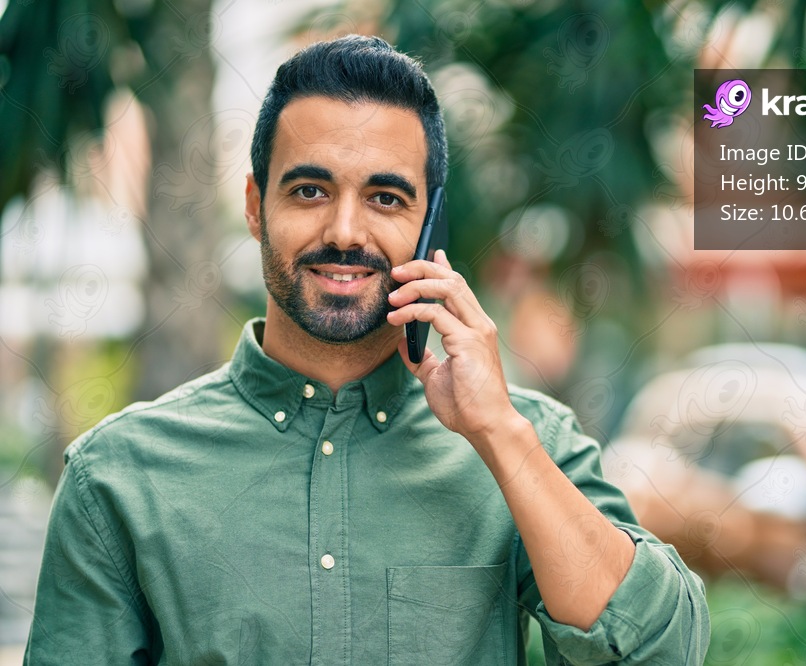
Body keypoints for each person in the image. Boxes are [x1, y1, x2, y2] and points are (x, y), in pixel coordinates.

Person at [25, 35, 708, 664]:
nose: (345, 230)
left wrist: (498, 433)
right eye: (310, 190)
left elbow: (662, 650)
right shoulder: (115, 477)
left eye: (386, 197)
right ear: (256, 205)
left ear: (428, 223)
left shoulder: (527, 443)